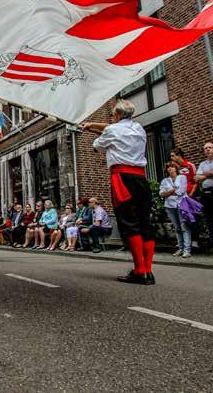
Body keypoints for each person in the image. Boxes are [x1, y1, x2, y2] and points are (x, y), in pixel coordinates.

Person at [82, 99, 155, 285]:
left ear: (118, 115)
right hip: (141, 178)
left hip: (122, 178)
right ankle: (148, 270)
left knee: (129, 223)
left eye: (113, 114)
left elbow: (98, 145)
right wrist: (92, 125)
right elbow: (112, 129)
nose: (112, 118)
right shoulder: (139, 129)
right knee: (144, 223)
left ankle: (139, 271)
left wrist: (91, 129)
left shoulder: (111, 130)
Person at [194, 142, 213, 248]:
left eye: (210, 148)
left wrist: (204, 175)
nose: (207, 150)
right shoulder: (203, 164)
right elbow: (196, 177)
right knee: (210, 218)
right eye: (205, 148)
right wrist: (209, 174)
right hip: (206, 193)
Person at [160, 162, 192, 258]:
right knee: (177, 228)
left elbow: (181, 191)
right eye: (168, 167)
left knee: (184, 227)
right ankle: (180, 248)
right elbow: (161, 194)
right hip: (170, 206)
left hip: (181, 204)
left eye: (172, 167)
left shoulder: (182, 178)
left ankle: (187, 250)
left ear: (176, 168)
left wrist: (168, 192)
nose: (170, 169)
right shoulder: (164, 181)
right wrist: (172, 191)